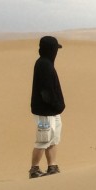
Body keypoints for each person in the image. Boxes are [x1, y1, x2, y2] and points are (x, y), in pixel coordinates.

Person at [30, 35, 66, 178]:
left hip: (52, 111)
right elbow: (45, 91)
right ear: (50, 49)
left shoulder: (47, 63)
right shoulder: (43, 64)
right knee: (43, 140)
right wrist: (56, 104)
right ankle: (34, 169)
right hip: (44, 111)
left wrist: (57, 107)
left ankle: (52, 166)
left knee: (53, 139)